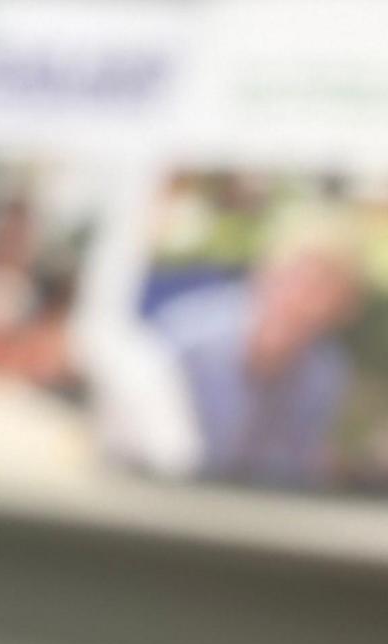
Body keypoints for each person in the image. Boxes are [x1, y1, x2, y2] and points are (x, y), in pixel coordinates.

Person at [146, 207, 371, 491]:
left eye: (330, 290)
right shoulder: (184, 339)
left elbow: (292, 476)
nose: (310, 301)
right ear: (266, 272)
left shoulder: (325, 374)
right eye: (302, 278)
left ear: (346, 308)